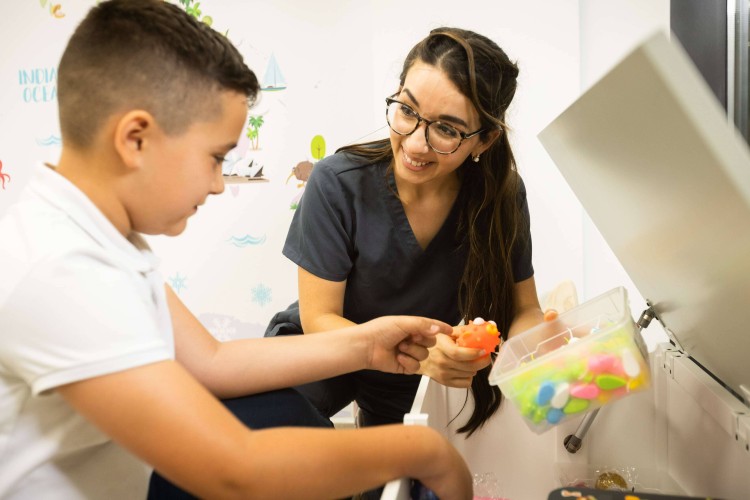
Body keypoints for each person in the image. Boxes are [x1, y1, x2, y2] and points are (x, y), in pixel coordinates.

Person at [0, 2, 474, 499]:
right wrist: (425, 451)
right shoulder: (59, 270)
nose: (218, 185)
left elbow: (211, 361)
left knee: (283, 411)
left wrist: (367, 345)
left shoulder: (103, 241)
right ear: (134, 139)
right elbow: (234, 469)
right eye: (215, 158)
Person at [267, 27, 545, 434]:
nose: (416, 144)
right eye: (408, 111)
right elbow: (319, 319)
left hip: (413, 377)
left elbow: (525, 311)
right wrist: (422, 353)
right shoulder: (338, 182)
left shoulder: (500, 196)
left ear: (484, 140)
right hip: (330, 351)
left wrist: (540, 346)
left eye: (447, 130)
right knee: (285, 442)